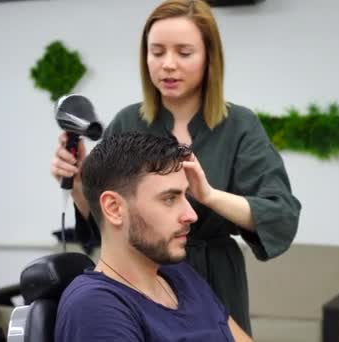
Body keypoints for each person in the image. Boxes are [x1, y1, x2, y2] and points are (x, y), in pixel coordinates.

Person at [50, 0, 301, 334]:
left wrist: (209, 196)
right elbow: (107, 218)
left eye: (184, 53)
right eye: (157, 52)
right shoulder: (128, 121)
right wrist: (79, 181)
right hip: (144, 279)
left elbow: (280, 215)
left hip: (214, 278)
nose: (168, 65)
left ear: (210, 56)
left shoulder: (239, 125)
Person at [54, 132, 253, 341]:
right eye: (169, 199)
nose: (191, 215)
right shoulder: (95, 308)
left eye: (186, 196)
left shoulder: (182, 276)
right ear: (114, 208)